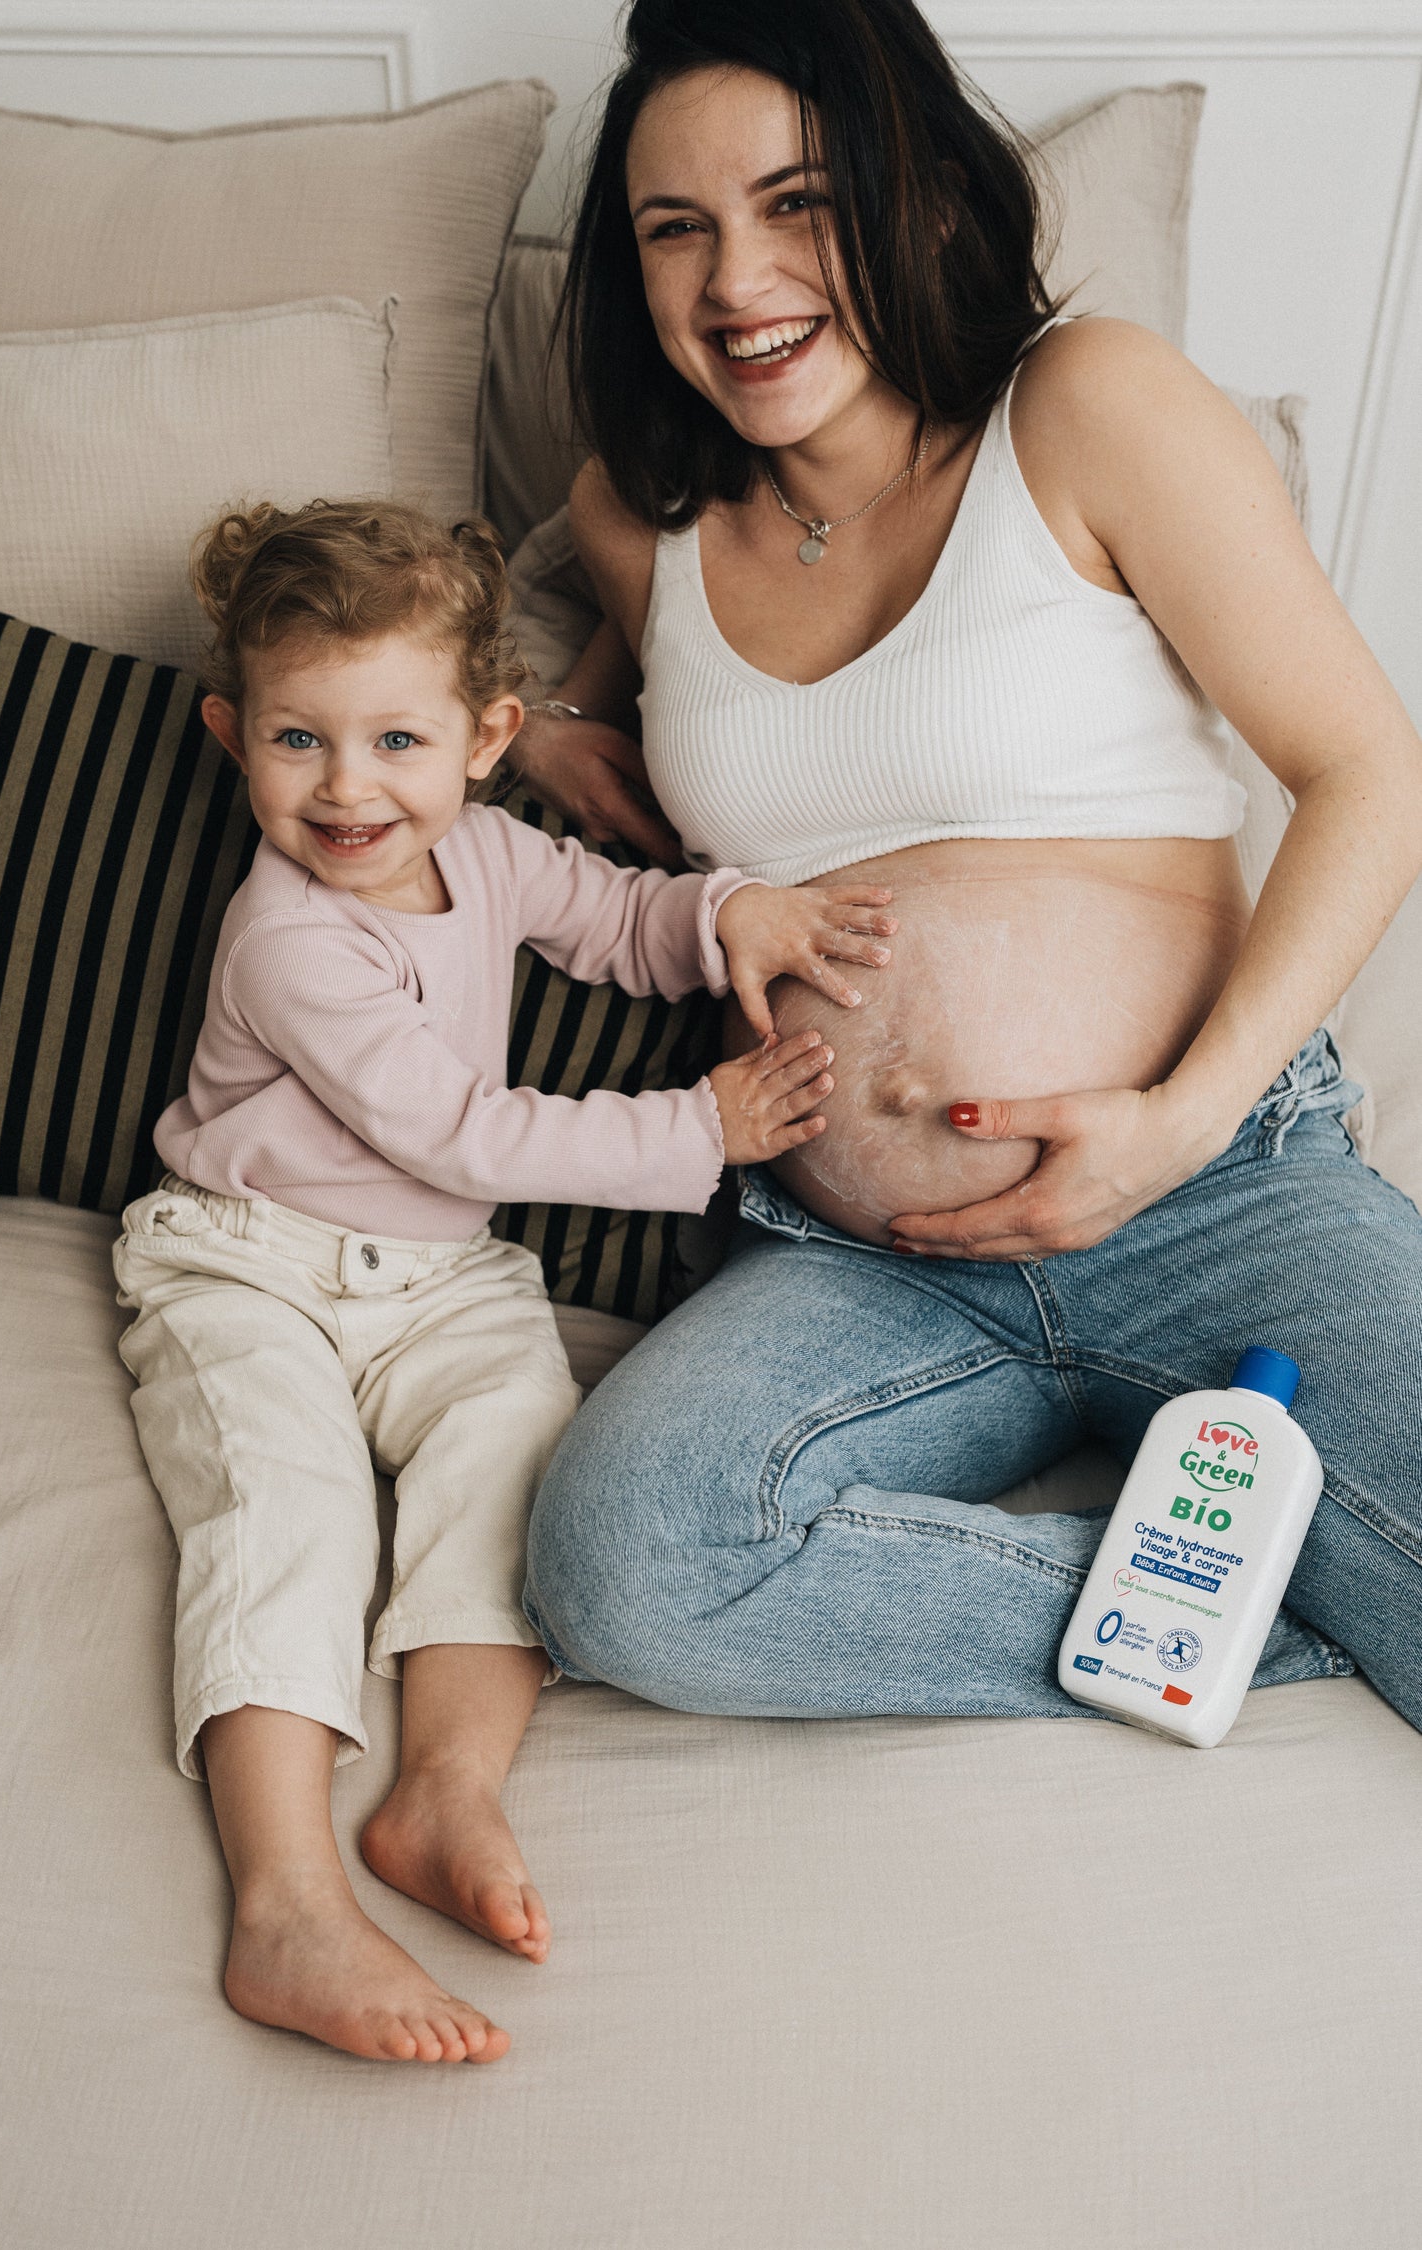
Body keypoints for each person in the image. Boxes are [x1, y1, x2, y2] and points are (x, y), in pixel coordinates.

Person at [514, 0, 1422, 1731]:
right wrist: (553, 716)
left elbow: (1369, 771)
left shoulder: (1086, 407)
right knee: (627, 1560)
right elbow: (530, 649)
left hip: (1213, 1191)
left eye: (800, 204)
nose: (738, 283)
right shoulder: (642, 516)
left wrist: (1180, 1120)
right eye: (676, 229)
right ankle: (1221, 1623)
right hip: (857, 1259)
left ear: (920, 197)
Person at [112, 495, 896, 2062]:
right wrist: (701, 1126)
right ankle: (283, 1899)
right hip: (246, 1264)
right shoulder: (289, 940)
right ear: (231, 733)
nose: (348, 790)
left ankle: (442, 1789)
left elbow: (611, 914)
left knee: (512, 1455)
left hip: (441, 1278)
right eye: (298, 742)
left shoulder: (483, 849)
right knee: (289, 1510)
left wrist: (726, 910)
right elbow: (463, 1132)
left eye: (396, 742)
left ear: (487, 738)